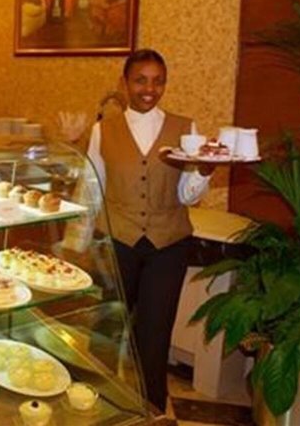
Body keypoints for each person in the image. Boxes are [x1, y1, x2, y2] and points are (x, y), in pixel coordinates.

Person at [86, 49, 214, 412]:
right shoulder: (102, 130)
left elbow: (186, 195)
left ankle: (151, 412)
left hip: (167, 245)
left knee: (154, 337)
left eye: (158, 81)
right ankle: (96, 407)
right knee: (106, 330)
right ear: (125, 83)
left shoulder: (185, 129)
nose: (149, 89)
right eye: (140, 80)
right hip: (117, 240)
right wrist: (81, 238)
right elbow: (93, 188)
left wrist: (204, 172)